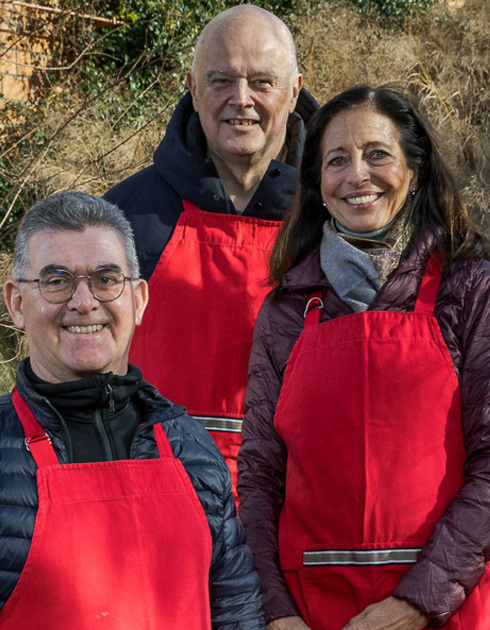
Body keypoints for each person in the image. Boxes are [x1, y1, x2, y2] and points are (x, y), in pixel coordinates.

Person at [0, 192, 265, 629]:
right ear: (17, 304)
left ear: (138, 300)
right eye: (56, 280)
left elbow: (239, 615)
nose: (84, 301)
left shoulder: (191, 447)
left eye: (105, 279)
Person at [238, 86, 490, 630]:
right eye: (337, 160)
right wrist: (276, 613)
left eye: (377, 154)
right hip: (314, 611)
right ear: (317, 185)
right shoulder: (284, 311)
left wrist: (415, 605)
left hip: (456, 604)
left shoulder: (469, 288)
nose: (357, 175)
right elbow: (258, 476)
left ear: (415, 171)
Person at [104, 4, 318, 495]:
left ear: (294, 91)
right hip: (156, 506)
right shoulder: (123, 219)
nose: (241, 100)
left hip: (298, 518)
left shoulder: (336, 219)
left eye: (261, 82)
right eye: (221, 80)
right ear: (193, 88)